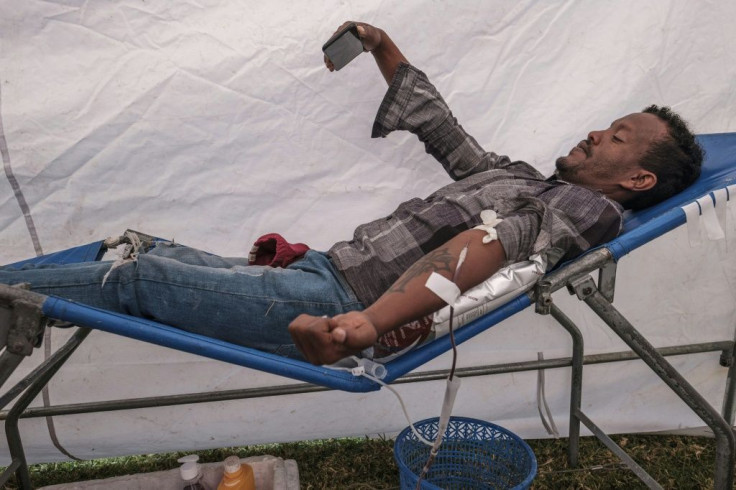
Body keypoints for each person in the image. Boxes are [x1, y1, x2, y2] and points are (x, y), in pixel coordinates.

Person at [0, 22, 702, 366]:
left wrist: (370, 324)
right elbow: (450, 138)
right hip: (315, 275)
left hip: (337, 304)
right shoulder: (529, 181)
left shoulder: (588, 208)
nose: (593, 132)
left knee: (141, 280)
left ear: (638, 179)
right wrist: (382, 49)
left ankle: (8, 299)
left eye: (615, 136)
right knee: (131, 249)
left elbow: (497, 251)